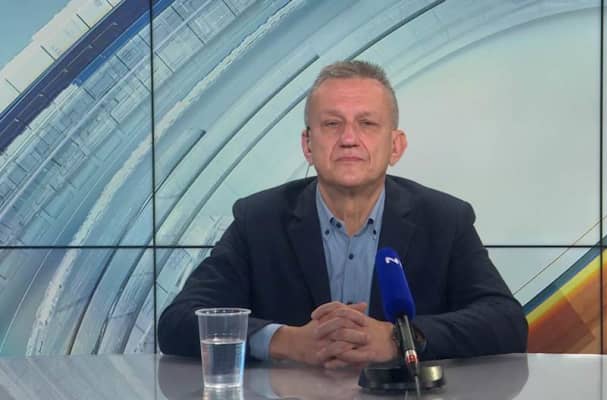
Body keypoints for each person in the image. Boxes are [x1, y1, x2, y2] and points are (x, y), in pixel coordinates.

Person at [157, 60, 528, 367]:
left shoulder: (445, 219)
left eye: (367, 123)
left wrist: (400, 339)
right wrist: (284, 341)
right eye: (332, 124)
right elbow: (178, 322)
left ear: (395, 146)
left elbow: (505, 321)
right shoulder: (258, 220)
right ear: (307, 144)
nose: (349, 139)